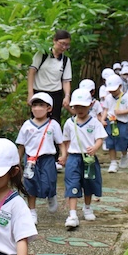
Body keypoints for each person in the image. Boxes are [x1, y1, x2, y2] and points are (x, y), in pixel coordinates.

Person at [15, 93, 67, 224]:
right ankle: (32, 211)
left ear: (49, 108)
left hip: (47, 158)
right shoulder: (27, 125)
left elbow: (60, 142)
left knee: (49, 181)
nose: (37, 108)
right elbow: (21, 145)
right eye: (35, 105)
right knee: (30, 184)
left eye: (41, 105)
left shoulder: (53, 125)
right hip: (30, 160)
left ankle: (51, 195)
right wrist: (17, 161)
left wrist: (63, 154)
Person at [62, 89, 107, 229]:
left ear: (91, 105)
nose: (80, 109)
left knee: (89, 183)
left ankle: (87, 207)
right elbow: (66, 140)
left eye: (83, 106)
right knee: (72, 183)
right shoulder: (69, 123)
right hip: (74, 158)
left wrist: (95, 148)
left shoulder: (94, 122)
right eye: (76, 106)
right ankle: (72, 214)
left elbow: (100, 138)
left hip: (89, 159)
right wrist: (65, 155)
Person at [27, 30, 72, 119]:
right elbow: (31, 72)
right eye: (61, 43)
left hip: (56, 94)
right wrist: (30, 93)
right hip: (39, 92)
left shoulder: (66, 60)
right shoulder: (42, 54)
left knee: (54, 121)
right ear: (54, 41)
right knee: (37, 120)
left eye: (67, 45)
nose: (64, 47)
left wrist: (67, 96)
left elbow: (66, 81)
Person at [101, 74, 128, 172]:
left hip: (122, 122)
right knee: (110, 142)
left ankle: (124, 154)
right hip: (110, 121)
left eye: (114, 90)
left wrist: (121, 112)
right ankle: (113, 162)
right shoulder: (108, 98)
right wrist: (102, 119)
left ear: (120, 86)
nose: (112, 92)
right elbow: (106, 109)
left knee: (122, 140)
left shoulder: (126, 97)